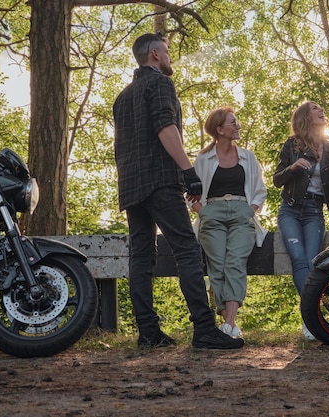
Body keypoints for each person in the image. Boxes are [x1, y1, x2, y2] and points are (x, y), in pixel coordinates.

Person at [112, 32, 243, 350]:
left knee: (141, 256)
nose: (170, 57)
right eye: (167, 52)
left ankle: (148, 332)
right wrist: (188, 171)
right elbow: (165, 127)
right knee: (187, 250)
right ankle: (204, 328)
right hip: (160, 180)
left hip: (131, 185)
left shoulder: (122, 98)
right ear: (155, 54)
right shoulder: (159, 84)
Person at [191, 107, 267, 339]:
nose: (238, 126)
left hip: (241, 212)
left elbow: (259, 191)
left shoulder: (248, 156)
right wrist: (203, 213)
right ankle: (229, 325)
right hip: (211, 211)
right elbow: (191, 193)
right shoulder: (203, 158)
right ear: (219, 129)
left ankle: (230, 322)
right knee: (218, 265)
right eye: (233, 123)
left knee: (235, 261)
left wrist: (249, 210)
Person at [273, 101, 329, 340]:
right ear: (304, 117)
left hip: (314, 211)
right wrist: (292, 168)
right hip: (290, 210)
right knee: (299, 260)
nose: (321, 110)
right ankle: (312, 318)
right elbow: (277, 179)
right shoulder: (292, 145)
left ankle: (311, 318)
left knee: (313, 262)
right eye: (314, 108)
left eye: (322, 108)